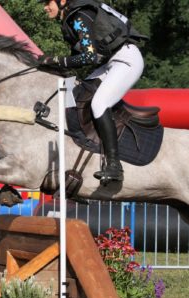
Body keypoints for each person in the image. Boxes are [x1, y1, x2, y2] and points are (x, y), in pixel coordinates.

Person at [37, 0, 147, 183]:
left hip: (126, 60)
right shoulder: (72, 17)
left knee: (99, 103)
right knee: (70, 97)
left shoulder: (79, 16)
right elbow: (81, 58)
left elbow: (88, 56)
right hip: (110, 63)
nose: (45, 7)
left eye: (47, 2)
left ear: (62, 1)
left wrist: (53, 60)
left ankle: (114, 166)